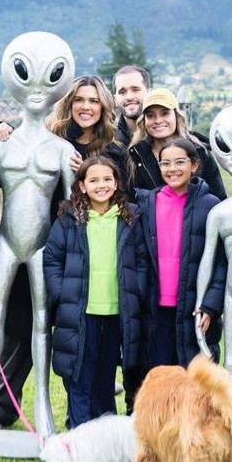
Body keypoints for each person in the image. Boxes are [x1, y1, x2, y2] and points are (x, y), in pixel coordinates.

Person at [0, 75, 128, 429]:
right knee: (23, 327)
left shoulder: (114, 149)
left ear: (103, 107)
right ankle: (3, 404)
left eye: (94, 101)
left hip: (91, 260)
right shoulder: (53, 139)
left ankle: (81, 411)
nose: (86, 106)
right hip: (39, 246)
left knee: (77, 335)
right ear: (68, 103)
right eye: (79, 99)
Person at [43, 156, 145, 428]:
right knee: (79, 376)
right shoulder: (69, 219)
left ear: (116, 183)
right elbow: (52, 258)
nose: (101, 185)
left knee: (105, 377)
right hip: (80, 312)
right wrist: (62, 293)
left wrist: (137, 291)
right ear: (82, 186)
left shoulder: (131, 218)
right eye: (94, 180)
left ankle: (106, 441)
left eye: (107, 179)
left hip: (115, 314)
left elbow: (142, 260)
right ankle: (79, 437)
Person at [133, 137, 227, 406]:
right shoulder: (147, 204)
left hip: (194, 310)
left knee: (195, 380)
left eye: (179, 162)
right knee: (160, 378)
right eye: (165, 163)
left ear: (194, 165)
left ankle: (195, 436)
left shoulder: (210, 205)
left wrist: (211, 305)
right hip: (156, 308)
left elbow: (221, 261)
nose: (172, 169)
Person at [127, 88, 227, 199]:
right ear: (144, 121)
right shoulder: (136, 157)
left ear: (176, 116)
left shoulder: (200, 152)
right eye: (150, 115)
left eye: (165, 113)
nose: (158, 120)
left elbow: (219, 198)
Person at [112, 65, 151, 148]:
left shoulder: (166, 135)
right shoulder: (108, 143)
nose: (129, 97)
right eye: (122, 92)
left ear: (149, 93)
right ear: (115, 100)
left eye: (135, 90)